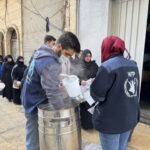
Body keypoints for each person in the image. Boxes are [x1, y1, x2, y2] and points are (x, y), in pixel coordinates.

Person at [21, 32, 80, 150]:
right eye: (67, 54)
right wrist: (62, 112)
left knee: (36, 137)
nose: (67, 58)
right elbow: (53, 92)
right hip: (34, 103)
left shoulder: (43, 51)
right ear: (59, 46)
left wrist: (58, 77)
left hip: (28, 97)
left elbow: (42, 75)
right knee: (34, 142)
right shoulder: (49, 62)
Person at [90, 36, 140, 150]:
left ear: (106, 48)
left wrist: (95, 83)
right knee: (122, 147)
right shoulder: (133, 65)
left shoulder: (107, 67)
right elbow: (132, 91)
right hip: (129, 117)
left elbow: (97, 95)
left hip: (111, 121)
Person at [78, 49, 98, 130]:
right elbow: (74, 77)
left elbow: (99, 74)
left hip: (91, 90)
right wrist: (80, 81)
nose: (88, 58)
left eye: (89, 56)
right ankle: (85, 125)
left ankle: (92, 125)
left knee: (92, 107)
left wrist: (95, 79)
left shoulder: (94, 65)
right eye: (86, 56)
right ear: (83, 56)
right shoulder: (79, 65)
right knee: (84, 108)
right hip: (83, 90)